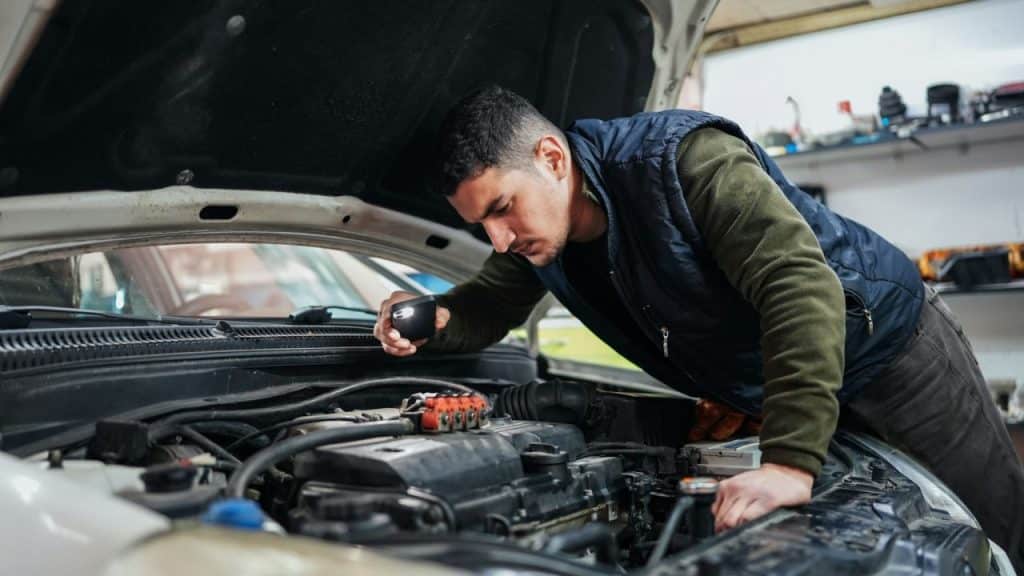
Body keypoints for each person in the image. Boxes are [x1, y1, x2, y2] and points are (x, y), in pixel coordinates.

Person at [373, 85, 1024, 570]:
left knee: (992, 532)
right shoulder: (545, 239)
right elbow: (486, 304)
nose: (498, 237)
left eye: (502, 209)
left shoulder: (682, 163)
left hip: (894, 355)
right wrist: (429, 319)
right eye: (480, 225)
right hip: (790, 390)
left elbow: (798, 289)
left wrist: (791, 464)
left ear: (550, 157)